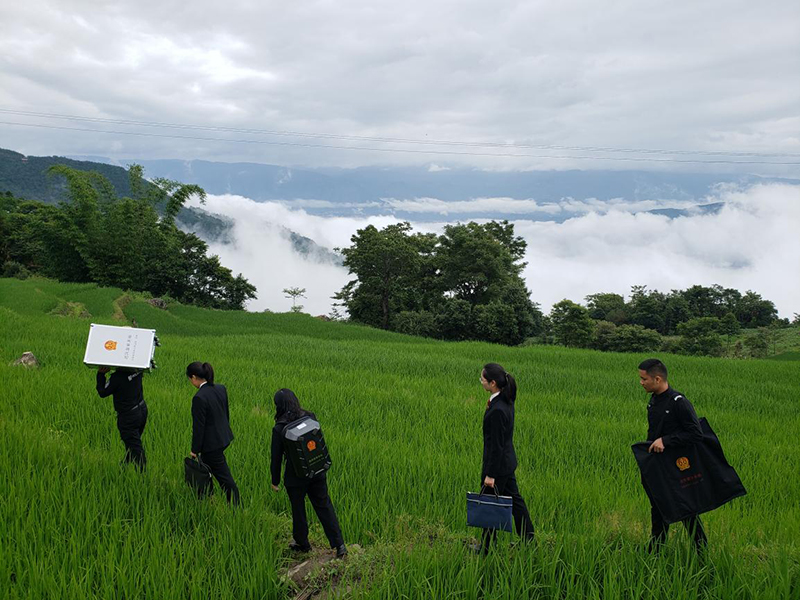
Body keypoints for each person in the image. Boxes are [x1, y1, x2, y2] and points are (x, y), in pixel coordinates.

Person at [638, 358, 707, 553]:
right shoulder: (654, 400)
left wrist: (666, 441)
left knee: (686, 509)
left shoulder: (679, 402)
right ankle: (656, 548)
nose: (641, 382)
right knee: (657, 504)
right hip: (659, 464)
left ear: (657, 379)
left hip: (677, 466)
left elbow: (695, 433)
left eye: (644, 379)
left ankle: (701, 551)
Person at [270, 389, 347, 558]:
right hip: (317, 471)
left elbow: (276, 457)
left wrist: (275, 481)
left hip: (295, 477)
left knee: (298, 510)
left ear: (279, 406)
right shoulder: (309, 416)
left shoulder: (279, 428)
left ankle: (302, 544)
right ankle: (339, 545)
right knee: (324, 506)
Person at [478, 363, 534, 553]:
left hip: (498, 467)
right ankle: (528, 539)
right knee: (516, 502)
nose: (481, 382)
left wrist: (490, 475)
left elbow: (496, 446)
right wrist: (490, 405)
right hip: (507, 463)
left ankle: (486, 548)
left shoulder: (497, 410)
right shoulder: (505, 400)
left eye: (483, 379)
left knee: (488, 505)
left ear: (493, 383)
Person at [187, 361, 240, 505]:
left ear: (194, 377)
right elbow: (225, 414)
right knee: (206, 468)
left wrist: (194, 450)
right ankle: (205, 497)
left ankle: (235, 505)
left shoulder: (199, 398)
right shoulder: (220, 389)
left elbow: (199, 427)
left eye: (190, 379)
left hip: (212, 445)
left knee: (223, 476)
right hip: (223, 437)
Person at [96, 366, 147, 470]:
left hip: (128, 416)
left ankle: (142, 475)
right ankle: (125, 465)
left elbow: (102, 392)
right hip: (142, 410)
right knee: (132, 442)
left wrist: (100, 374)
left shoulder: (117, 378)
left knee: (134, 446)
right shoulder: (138, 371)